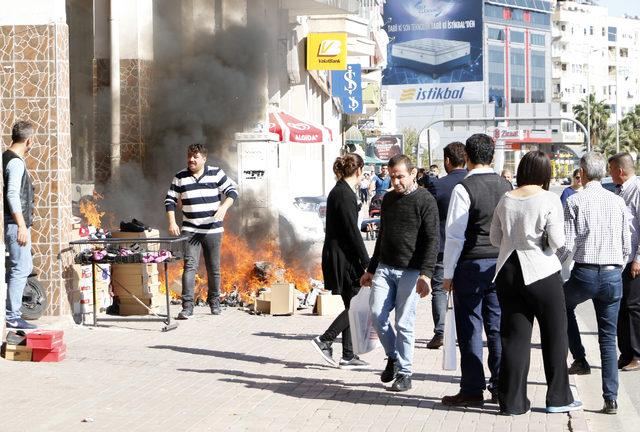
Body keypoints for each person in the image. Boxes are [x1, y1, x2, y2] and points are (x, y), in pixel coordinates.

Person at [490, 151, 581, 415]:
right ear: (545, 173)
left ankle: (513, 403)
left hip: (507, 271)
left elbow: (495, 239)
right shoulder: (549, 198)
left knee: (514, 338)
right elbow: (557, 241)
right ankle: (558, 398)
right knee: (554, 335)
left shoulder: (505, 199)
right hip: (542, 272)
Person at [557, 151, 631, 415]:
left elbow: (566, 245)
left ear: (583, 172)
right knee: (608, 339)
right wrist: (617, 267)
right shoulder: (618, 201)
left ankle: (579, 357)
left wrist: (554, 265)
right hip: (613, 274)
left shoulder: (575, 200)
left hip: (585, 273)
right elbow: (626, 244)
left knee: (563, 306)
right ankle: (610, 398)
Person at [441, 133, 512, 407]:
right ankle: (500, 387)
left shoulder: (464, 188)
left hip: (471, 264)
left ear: (467, 158)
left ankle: (472, 389)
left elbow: (455, 235)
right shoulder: (506, 185)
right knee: (497, 326)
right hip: (500, 263)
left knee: (471, 327)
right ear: (492, 157)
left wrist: (448, 274)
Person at [360, 154, 440, 392]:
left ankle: (405, 373)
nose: (395, 182)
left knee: (404, 323)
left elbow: (432, 240)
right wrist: (371, 270)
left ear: (413, 173)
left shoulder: (425, 200)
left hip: (411, 271)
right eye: (392, 177)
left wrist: (426, 274)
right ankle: (393, 357)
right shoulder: (388, 200)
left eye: (400, 177)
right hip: (385, 267)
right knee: (376, 315)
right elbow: (382, 236)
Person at [165, 143, 238, 319]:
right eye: (189, 156)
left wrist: (224, 207)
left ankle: (214, 303)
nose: (191, 159)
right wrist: (172, 222)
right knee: (190, 267)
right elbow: (169, 200)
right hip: (190, 230)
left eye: (195, 157)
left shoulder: (216, 173)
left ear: (203, 159)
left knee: (214, 268)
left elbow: (232, 192)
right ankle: (187, 307)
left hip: (213, 230)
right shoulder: (180, 177)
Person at [311, 154, 371, 369]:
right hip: (344, 257)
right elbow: (352, 232)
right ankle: (325, 339)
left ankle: (348, 355)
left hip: (341, 254)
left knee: (351, 303)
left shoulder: (342, 191)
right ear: (358, 170)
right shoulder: (343, 194)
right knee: (355, 305)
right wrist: (367, 261)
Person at [425, 141, 467, 349]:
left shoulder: (437, 185)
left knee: (440, 290)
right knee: (467, 290)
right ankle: (466, 330)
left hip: (442, 245)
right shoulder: (473, 181)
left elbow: (429, 217)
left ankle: (441, 332)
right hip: (470, 248)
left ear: (447, 161)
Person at [608, 153, 640, 372]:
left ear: (620, 171)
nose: (609, 174)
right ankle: (625, 353)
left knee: (633, 307)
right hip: (619, 258)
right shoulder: (618, 191)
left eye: (611, 169)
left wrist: (638, 259)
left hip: (633, 260)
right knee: (620, 307)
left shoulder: (636, 190)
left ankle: (637, 355)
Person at [3, 121, 36, 330]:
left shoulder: (6, 157)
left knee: (21, 267)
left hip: (14, 224)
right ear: (29, 140)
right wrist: (22, 226)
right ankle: (12, 315)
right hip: (16, 225)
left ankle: (9, 311)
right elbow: (12, 194)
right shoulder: (15, 162)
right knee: (20, 268)